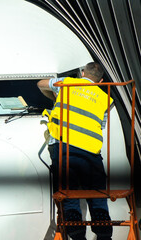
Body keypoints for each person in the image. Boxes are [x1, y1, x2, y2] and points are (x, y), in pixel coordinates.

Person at [37, 62, 113, 240]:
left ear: (82, 73)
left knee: (69, 196)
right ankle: (104, 236)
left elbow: (40, 84)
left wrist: (55, 94)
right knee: (97, 196)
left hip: (64, 149)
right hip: (91, 153)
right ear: (101, 81)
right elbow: (101, 125)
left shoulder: (67, 83)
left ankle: (77, 236)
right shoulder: (105, 98)